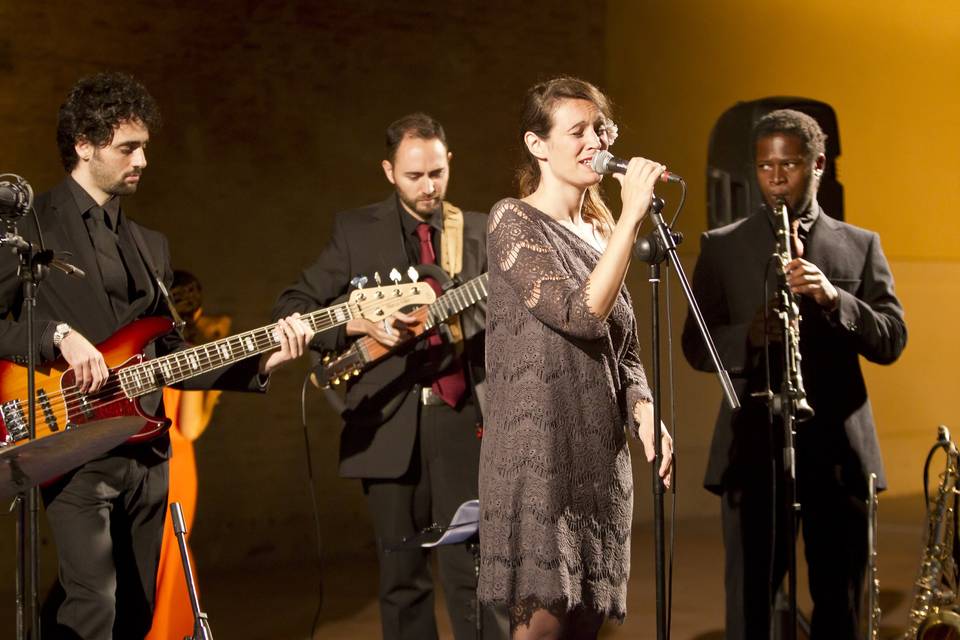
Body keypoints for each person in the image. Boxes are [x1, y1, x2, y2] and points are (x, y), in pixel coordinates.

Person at [0, 71, 312, 639]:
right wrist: (56, 336)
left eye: (145, 146)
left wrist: (263, 360)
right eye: (128, 148)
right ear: (84, 145)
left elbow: (174, 354)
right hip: (71, 442)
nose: (142, 159)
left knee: (139, 612)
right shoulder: (28, 225)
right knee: (92, 605)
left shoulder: (151, 246)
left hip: (148, 452)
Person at [273, 113, 504, 639]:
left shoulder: (476, 229)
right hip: (387, 421)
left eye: (438, 174)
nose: (429, 187)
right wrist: (357, 322)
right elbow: (294, 305)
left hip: (463, 419)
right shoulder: (355, 231)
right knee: (401, 580)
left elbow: (509, 313)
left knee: (477, 576)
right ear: (388, 171)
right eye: (415, 176)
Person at [681, 109, 907, 639]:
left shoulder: (860, 244)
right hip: (753, 450)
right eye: (765, 166)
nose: (777, 178)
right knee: (750, 604)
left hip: (837, 455)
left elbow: (893, 338)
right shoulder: (723, 245)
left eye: (790, 165)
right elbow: (696, 344)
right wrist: (748, 335)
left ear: (818, 164)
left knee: (840, 602)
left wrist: (835, 298)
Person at [478, 76, 674, 640]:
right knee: (540, 628)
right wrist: (633, 213)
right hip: (538, 458)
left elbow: (623, 349)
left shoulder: (601, 229)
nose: (598, 142)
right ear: (538, 145)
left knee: (587, 628)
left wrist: (645, 415)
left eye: (601, 128)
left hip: (599, 462)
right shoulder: (511, 220)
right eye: (578, 130)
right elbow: (580, 314)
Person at [147, 270, 231, 640]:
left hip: (147, 459)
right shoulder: (192, 350)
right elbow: (191, 425)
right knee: (172, 559)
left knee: (149, 559)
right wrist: (214, 393)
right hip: (177, 465)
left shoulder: (145, 344)